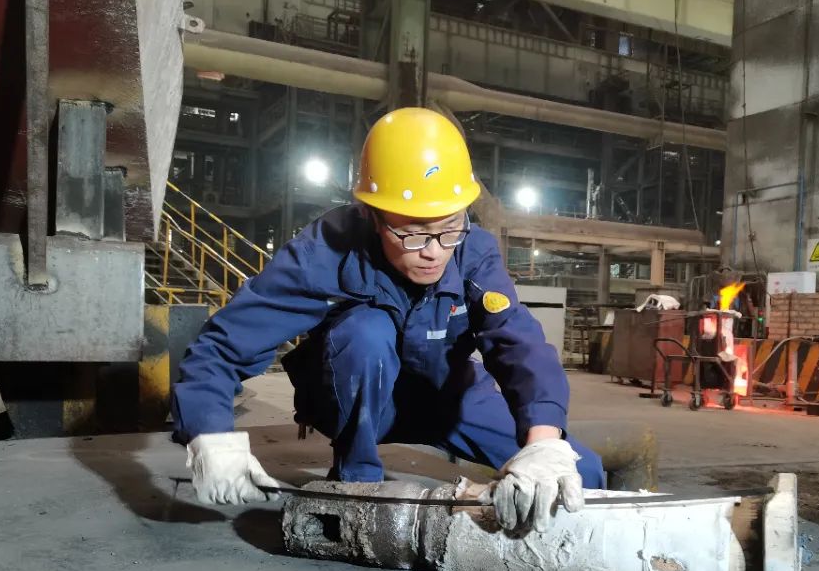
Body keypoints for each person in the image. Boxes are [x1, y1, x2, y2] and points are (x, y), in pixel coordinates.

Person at [171, 107, 605, 533]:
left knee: (580, 476)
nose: (434, 251)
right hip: (357, 398)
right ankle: (356, 483)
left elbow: (518, 342)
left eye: (449, 228)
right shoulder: (326, 250)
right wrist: (209, 434)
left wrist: (544, 443)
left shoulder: (474, 251)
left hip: (446, 396)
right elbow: (224, 345)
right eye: (413, 234)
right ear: (370, 215)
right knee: (365, 332)